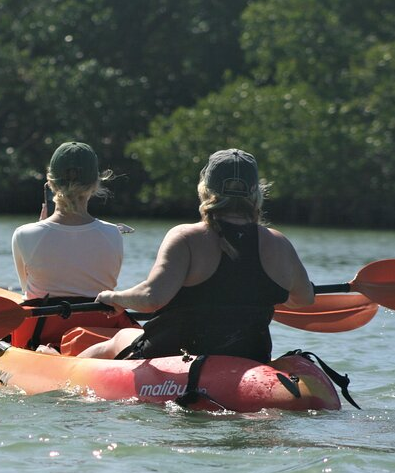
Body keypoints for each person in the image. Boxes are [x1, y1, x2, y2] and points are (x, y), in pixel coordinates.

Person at [78, 148, 314, 363]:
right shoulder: (280, 243)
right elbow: (304, 298)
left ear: (206, 189)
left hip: (174, 356)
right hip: (250, 358)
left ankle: (62, 366)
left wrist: (113, 297)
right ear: (255, 193)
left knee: (121, 337)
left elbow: (151, 298)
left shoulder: (186, 237)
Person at [11, 141, 140, 352]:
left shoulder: (24, 234)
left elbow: (29, 292)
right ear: (95, 184)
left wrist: (39, 228)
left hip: (41, 335)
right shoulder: (114, 233)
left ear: (50, 183)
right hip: (98, 333)